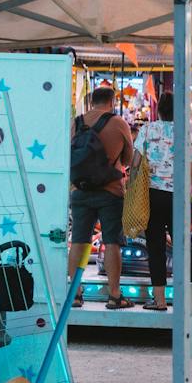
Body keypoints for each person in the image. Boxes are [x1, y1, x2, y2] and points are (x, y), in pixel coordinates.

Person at [68, 86, 135, 309]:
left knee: (79, 241)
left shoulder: (76, 123)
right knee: (112, 242)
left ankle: (75, 294)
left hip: (80, 191)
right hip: (111, 192)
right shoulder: (118, 123)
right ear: (112, 102)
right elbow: (128, 159)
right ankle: (114, 295)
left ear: (91, 102)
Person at [134, 92, 192, 311]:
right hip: (178, 195)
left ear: (159, 110)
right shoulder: (185, 131)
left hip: (152, 195)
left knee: (156, 247)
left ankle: (159, 301)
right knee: (183, 247)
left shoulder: (147, 129)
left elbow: (135, 164)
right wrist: (183, 192)